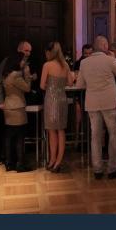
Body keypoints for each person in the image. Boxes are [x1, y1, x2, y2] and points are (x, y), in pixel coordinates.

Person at [76, 35, 116, 179]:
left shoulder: (84, 62)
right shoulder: (110, 60)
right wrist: (115, 59)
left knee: (95, 136)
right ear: (105, 46)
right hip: (109, 102)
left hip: (92, 103)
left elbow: (79, 85)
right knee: (114, 135)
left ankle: (97, 169)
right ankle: (112, 168)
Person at [40, 41, 73, 173]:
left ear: (49, 52)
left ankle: (52, 160)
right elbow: (70, 83)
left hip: (50, 100)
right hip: (62, 99)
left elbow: (42, 85)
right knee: (61, 130)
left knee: (51, 130)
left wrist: (50, 85)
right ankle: (58, 161)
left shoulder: (47, 65)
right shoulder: (65, 65)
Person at [0, 52, 33, 172]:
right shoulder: (16, 75)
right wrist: (28, 74)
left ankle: (8, 163)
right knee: (20, 136)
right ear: (17, 61)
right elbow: (27, 88)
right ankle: (20, 164)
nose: (24, 62)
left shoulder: (6, 74)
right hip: (17, 108)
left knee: (9, 136)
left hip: (8, 107)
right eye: (22, 60)